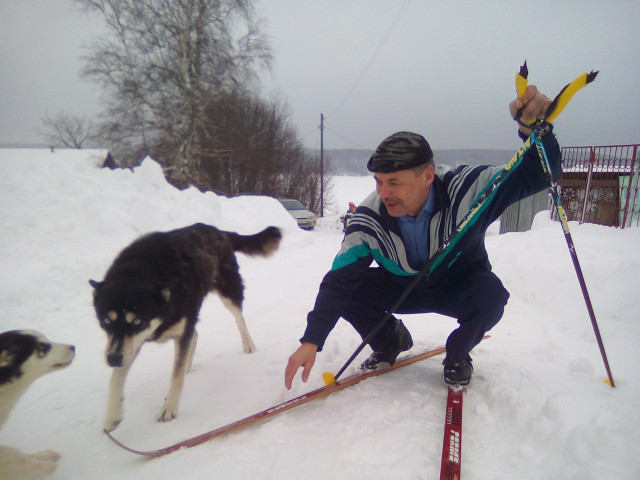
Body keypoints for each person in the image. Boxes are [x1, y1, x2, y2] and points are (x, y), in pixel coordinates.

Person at [285, 85, 561, 389]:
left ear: (427, 176)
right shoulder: (368, 219)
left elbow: (540, 174)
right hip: (403, 288)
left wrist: (536, 132)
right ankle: (391, 340)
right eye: (378, 182)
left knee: (492, 296)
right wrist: (312, 339)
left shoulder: (468, 191)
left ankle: (458, 354)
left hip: (459, 284)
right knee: (351, 291)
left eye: (394, 182)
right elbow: (339, 280)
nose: (383, 193)